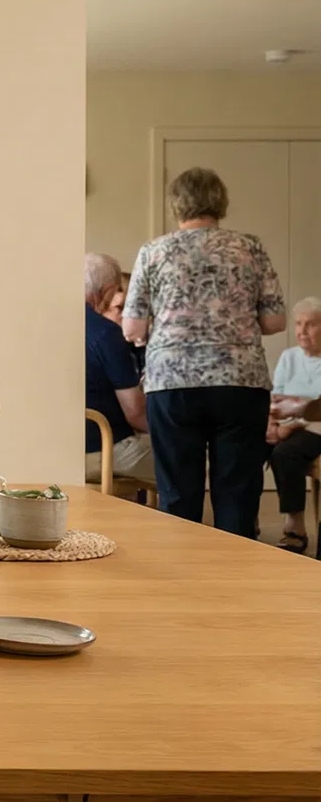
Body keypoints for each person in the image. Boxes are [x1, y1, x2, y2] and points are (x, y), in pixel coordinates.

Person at [124, 167, 285, 537]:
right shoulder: (249, 247)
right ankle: (235, 569)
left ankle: (181, 568)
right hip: (240, 382)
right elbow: (275, 321)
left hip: (172, 383)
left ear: (176, 204)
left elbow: (132, 329)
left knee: (178, 493)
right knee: (238, 493)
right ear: (220, 201)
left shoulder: (153, 251)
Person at [84, 252, 154, 484]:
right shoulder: (106, 332)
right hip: (105, 450)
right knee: (191, 459)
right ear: (107, 291)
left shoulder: (55, 325)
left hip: (60, 450)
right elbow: (135, 412)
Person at [266, 297, 321, 552]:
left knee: (285, 453)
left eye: (310, 324)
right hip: (285, 423)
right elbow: (275, 396)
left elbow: (317, 409)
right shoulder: (289, 357)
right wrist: (271, 423)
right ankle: (245, 517)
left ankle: (295, 525)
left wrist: (292, 424)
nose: (302, 330)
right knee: (246, 445)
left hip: (315, 428)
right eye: (298, 324)